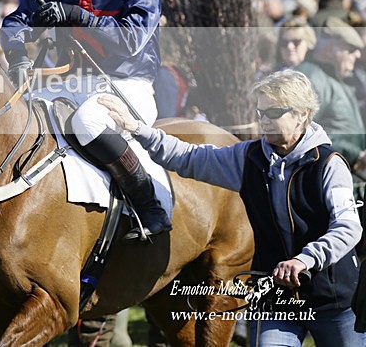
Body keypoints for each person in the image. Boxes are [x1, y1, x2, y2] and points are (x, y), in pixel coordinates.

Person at [99, 69, 364, 346]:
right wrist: (138, 129)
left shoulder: (329, 165)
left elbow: (348, 228)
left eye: (273, 113)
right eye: (260, 112)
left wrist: (304, 259)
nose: (263, 120)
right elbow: (188, 157)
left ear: (302, 114)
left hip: (334, 301)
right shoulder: (248, 157)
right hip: (276, 298)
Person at [0, 0, 169, 240]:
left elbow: (131, 40)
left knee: (88, 122)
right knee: (18, 119)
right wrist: (17, 56)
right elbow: (15, 21)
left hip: (127, 85)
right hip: (69, 83)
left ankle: (149, 204)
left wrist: (76, 14)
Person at [295, 18, 365, 168]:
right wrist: (354, 155)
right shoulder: (312, 77)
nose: (358, 55)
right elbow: (303, 133)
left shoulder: (334, 77)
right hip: (327, 176)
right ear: (329, 50)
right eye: (351, 49)